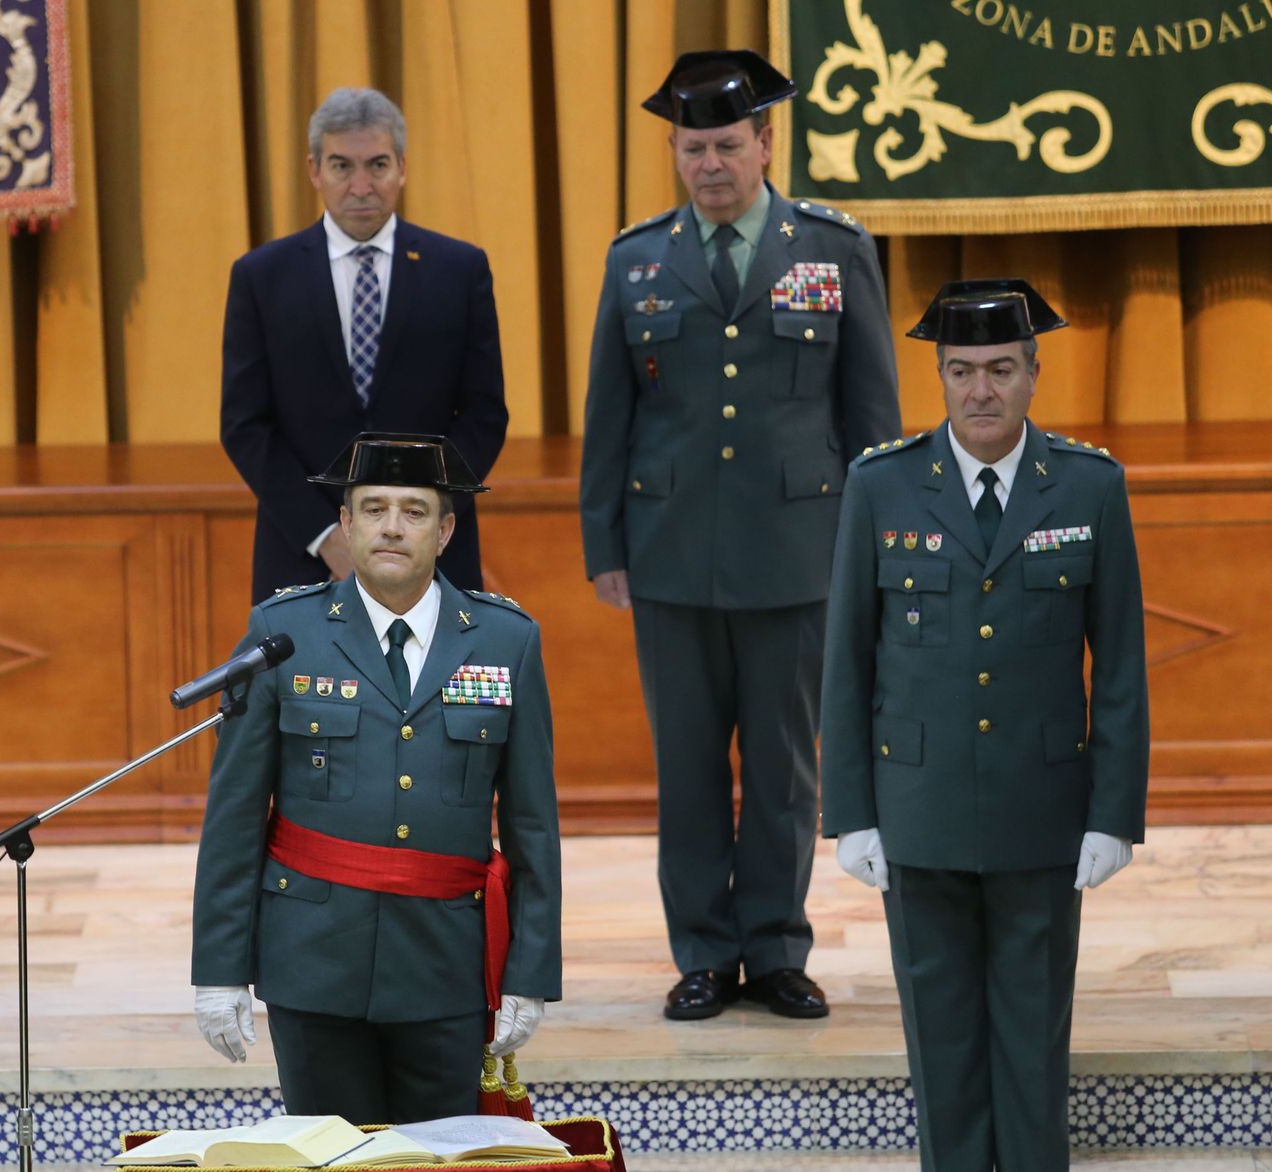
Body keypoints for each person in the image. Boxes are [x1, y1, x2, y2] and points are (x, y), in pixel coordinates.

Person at [578, 50, 901, 1021]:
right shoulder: (636, 257)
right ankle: (702, 954)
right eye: (691, 147)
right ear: (673, 152)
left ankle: (776, 945)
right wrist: (605, 546)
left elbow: (871, 418)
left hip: (800, 552)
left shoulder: (833, 249)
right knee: (685, 766)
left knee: (783, 765)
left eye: (725, 145)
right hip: (670, 555)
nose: (708, 164)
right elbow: (608, 417)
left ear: (765, 143)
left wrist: (872, 550)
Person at [819, 279, 1149, 1170]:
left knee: (1033, 1039)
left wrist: (1113, 813)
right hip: (918, 809)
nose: (981, 391)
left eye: (1001, 368)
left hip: (1040, 812)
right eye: (961, 370)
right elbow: (846, 659)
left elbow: (1117, 667)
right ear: (940, 375)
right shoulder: (881, 486)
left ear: (1034, 373)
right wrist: (850, 811)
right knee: (943, 1045)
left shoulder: (1088, 487)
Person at [190, 433, 561, 1124]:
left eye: (415, 511)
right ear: (349, 524)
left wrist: (530, 973)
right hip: (312, 960)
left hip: (445, 965)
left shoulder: (507, 640)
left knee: (441, 1167)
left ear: (446, 530)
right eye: (375, 508)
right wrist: (218, 967)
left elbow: (532, 822)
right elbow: (236, 813)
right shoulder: (283, 632)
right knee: (330, 1161)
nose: (393, 526)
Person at [220, 87, 508, 605]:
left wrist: (424, 518)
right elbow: (245, 424)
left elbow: (485, 413)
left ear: (402, 166)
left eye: (377, 165)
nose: (360, 186)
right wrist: (329, 537)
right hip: (303, 556)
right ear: (314, 170)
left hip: (435, 555)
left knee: (436, 688)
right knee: (306, 689)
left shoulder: (459, 270)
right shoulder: (262, 277)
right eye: (341, 166)